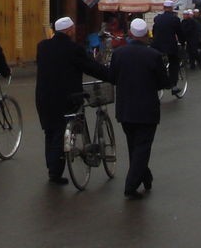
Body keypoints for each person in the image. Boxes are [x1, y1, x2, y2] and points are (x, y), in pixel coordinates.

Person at [35, 17, 111, 185]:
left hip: (44, 97)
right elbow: (91, 67)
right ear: (69, 30)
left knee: (50, 132)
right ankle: (55, 172)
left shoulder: (42, 47)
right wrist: (111, 76)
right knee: (60, 133)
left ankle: (52, 169)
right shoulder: (74, 49)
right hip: (67, 99)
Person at [108, 18, 168, 201]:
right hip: (147, 109)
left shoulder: (118, 54)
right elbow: (163, 82)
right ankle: (131, 185)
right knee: (142, 147)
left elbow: (112, 77)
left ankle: (145, 176)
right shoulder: (154, 55)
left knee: (134, 145)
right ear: (145, 35)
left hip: (125, 109)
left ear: (131, 34)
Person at [150, 0, 183, 85]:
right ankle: (173, 85)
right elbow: (180, 33)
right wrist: (182, 42)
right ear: (172, 8)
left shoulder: (157, 18)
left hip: (156, 45)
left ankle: (158, 79)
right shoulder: (175, 19)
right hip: (170, 46)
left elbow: (154, 31)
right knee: (174, 63)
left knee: (158, 62)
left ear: (164, 8)